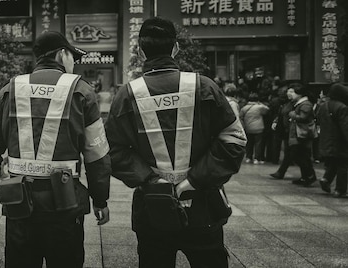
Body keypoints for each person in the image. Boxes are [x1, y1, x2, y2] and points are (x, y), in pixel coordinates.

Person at [105, 17, 246, 268]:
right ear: (176, 48)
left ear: (140, 50)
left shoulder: (127, 95)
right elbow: (233, 139)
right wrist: (194, 180)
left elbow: (112, 151)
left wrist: (151, 180)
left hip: (152, 207)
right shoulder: (204, 86)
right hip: (203, 205)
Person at [0, 31, 111, 268]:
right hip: (65, 202)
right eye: (72, 56)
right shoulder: (82, 91)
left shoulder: (11, 89)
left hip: (19, 201)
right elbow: (97, 155)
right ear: (61, 54)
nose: (74, 62)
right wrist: (100, 199)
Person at [317, 83, 348, 198]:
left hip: (327, 140)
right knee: (343, 164)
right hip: (340, 141)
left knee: (335, 162)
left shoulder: (324, 106)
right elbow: (345, 127)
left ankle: (326, 179)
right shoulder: (342, 107)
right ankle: (340, 190)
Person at [287, 83, 318, 186]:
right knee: (300, 155)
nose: (290, 94)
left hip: (302, 134)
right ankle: (305, 177)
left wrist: (292, 114)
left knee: (300, 155)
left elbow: (303, 118)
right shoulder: (298, 103)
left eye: (293, 92)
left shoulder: (305, 104)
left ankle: (309, 176)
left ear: (300, 94)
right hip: (298, 134)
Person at [270, 87, 296, 179]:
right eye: (288, 91)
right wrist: (276, 121)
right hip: (287, 131)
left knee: (296, 154)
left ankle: (309, 174)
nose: (289, 93)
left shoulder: (296, 104)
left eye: (292, 91)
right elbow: (281, 114)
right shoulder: (288, 103)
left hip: (293, 131)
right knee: (289, 152)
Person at [240, 93, 270, 164]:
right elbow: (267, 109)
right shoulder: (259, 107)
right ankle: (257, 158)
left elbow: (240, 117)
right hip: (258, 128)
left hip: (248, 128)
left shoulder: (244, 108)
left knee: (249, 144)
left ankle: (248, 157)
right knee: (258, 144)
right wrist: (260, 103)